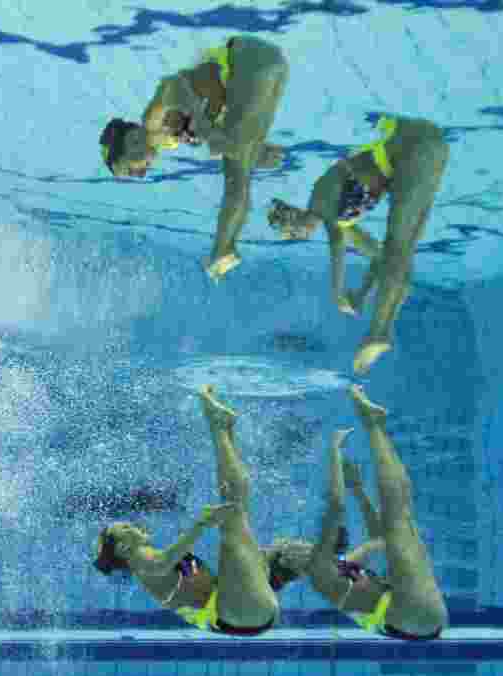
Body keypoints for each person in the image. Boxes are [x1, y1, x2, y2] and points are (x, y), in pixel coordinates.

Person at [92, 385, 311, 635]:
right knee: (233, 514)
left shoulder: (148, 558)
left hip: (241, 611)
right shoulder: (141, 561)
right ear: (123, 548)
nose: (136, 525)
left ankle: (224, 428)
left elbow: (181, 572)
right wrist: (200, 525)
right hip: (236, 612)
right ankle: (220, 426)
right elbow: (162, 564)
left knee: (270, 543)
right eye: (127, 528)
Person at [266, 115, 449, 374]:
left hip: (416, 148)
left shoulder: (320, 198)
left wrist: (337, 292)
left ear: (293, 214)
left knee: (399, 245)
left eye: (293, 232)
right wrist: (361, 293)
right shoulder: (341, 222)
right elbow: (378, 257)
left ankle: (378, 332)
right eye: (295, 237)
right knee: (398, 255)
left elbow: (336, 243)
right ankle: (381, 332)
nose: (301, 236)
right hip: (418, 161)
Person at [99, 35, 290, 282]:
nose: (142, 173)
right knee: (237, 170)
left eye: (132, 170)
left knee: (235, 175)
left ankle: (222, 249)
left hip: (248, 61)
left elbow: (174, 86)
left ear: (130, 142)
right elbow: (212, 109)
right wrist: (244, 150)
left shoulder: (152, 122)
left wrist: (210, 134)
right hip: (266, 65)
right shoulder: (167, 138)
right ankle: (224, 248)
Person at [286, 385, 448, 640]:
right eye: (290, 545)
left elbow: (377, 540)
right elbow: (337, 505)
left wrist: (359, 490)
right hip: (408, 615)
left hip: (416, 618)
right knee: (398, 517)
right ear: (292, 561)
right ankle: (373, 425)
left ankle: (375, 426)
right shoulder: (318, 572)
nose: (296, 541)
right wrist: (334, 453)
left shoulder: (339, 568)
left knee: (400, 519)